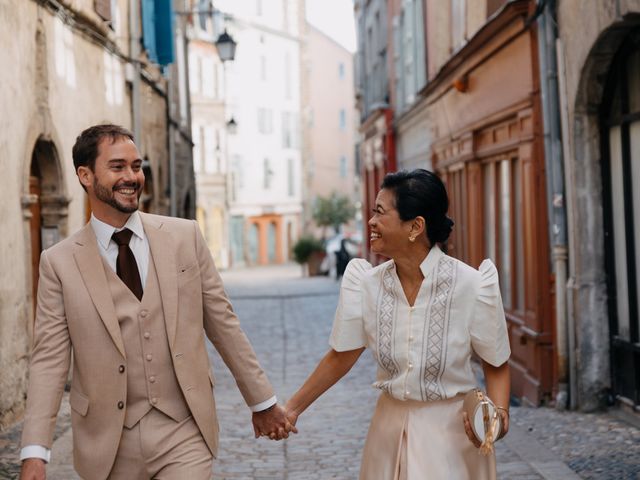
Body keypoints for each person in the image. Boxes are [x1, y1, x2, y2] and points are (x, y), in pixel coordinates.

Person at [19, 124, 295, 480]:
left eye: (137, 166)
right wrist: (35, 452)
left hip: (183, 430)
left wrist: (262, 402)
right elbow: (49, 360)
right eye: (117, 167)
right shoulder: (58, 262)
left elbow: (223, 324)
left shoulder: (184, 237)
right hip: (107, 443)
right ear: (85, 176)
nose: (132, 176)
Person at [285, 169, 511, 479]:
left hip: (452, 439)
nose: (371, 222)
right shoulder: (367, 284)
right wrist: (291, 410)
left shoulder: (472, 285)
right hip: (386, 434)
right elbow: (340, 357)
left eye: (380, 212)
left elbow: (495, 361)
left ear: (415, 226)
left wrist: (498, 415)